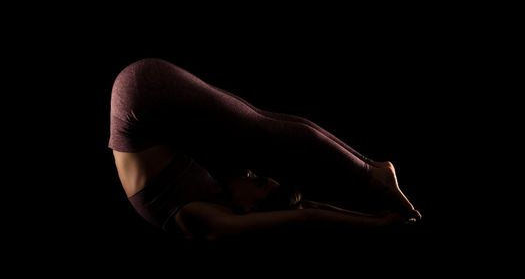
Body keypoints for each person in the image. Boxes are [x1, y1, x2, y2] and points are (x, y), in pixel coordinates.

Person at [109, 58, 421, 240]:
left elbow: (305, 219)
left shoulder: (200, 220)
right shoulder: (218, 201)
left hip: (141, 99)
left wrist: (376, 225)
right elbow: (307, 208)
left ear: (250, 211)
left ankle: (374, 174)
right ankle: (372, 168)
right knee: (267, 122)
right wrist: (372, 215)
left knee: (263, 129)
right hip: (146, 101)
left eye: (259, 184)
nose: (256, 175)